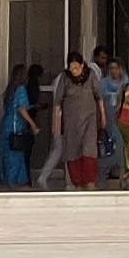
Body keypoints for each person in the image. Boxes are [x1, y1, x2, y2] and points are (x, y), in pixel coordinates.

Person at [54, 53, 101, 189]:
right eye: (71, 68)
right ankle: (77, 182)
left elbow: (99, 97)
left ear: (82, 65)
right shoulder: (65, 77)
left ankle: (90, 181)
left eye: (76, 68)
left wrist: (102, 116)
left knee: (89, 149)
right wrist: (56, 123)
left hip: (89, 119)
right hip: (71, 122)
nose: (74, 71)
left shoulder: (91, 75)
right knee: (72, 150)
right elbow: (58, 102)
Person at [0, 67, 36, 189]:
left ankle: (6, 180)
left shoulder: (10, 89)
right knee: (15, 154)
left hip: (5, 125)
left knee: (6, 153)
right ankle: (14, 180)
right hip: (15, 126)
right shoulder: (21, 89)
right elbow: (21, 109)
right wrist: (32, 124)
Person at [96, 53, 127, 185]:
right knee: (112, 149)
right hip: (108, 120)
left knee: (121, 149)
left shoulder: (125, 83)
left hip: (123, 120)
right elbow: (99, 101)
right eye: (111, 68)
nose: (113, 71)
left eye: (116, 68)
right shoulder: (103, 84)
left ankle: (122, 178)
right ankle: (102, 169)